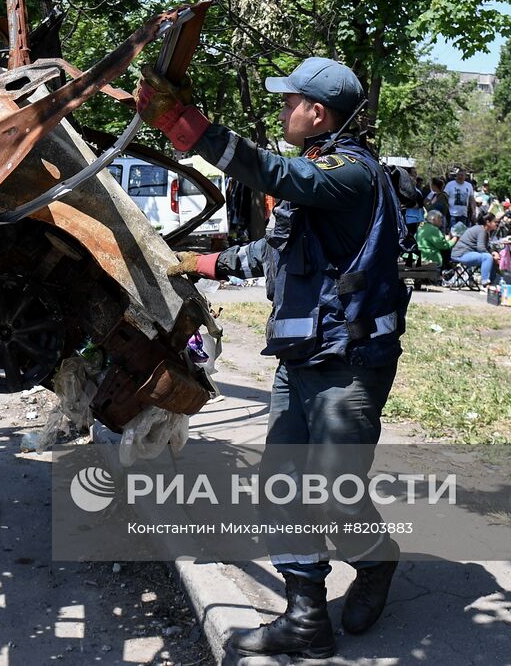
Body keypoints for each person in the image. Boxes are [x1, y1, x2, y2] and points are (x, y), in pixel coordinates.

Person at [137, 57, 409, 660]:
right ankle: (306, 617)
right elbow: (277, 250)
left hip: (350, 358)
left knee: (336, 489)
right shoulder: (317, 175)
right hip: (301, 357)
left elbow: (274, 173)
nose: (282, 111)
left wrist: (187, 125)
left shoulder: (351, 175)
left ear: (319, 112)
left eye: (290, 102)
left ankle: (376, 559)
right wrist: (202, 264)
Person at [452, 213, 500, 285]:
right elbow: (481, 248)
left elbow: (486, 247)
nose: (496, 224)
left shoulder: (484, 230)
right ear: (488, 222)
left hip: (467, 253)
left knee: (491, 258)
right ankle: (485, 282)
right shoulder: (481, 230)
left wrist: (493, 252)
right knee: (488, 257)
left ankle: (492, 283)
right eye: (494, 222)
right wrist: (492, 255)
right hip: (461, 254)